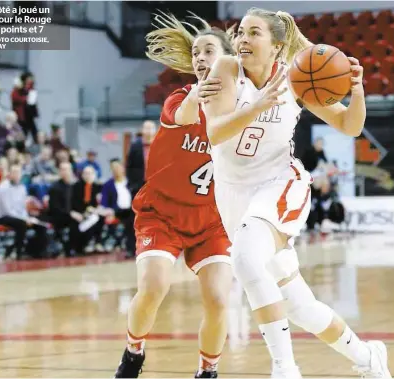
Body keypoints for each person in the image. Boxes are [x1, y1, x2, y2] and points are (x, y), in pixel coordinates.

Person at [202, 8, 390, 378]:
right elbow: (215, 133)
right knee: (300, 306)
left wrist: (357, 91)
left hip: (279, 185)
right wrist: (256, 106)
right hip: (232, 195)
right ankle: (368, 357)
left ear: (277, 46)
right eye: (240, 32)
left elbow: (349, 126)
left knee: (246, 261)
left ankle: (285, 370)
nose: (242, 40)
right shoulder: (225, 69)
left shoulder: (297, 77)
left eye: (253, 33)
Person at [114, 13, 235, 379]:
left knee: (218, 298)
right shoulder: (180, 98)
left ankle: (207, 371)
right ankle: (134, 352)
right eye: (196, 52)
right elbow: (183, 116)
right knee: (153, 287)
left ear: (228, 59)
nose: (199, 58)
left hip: (212, 220)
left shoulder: (243, 109)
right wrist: (198, 94)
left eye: (208, 51)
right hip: (162, 213)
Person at [0, 163, 48, 259]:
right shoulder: (3, 188)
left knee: (40, 225)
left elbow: (22, 207)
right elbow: (8, 210)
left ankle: (35, 251)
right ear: (9, 174)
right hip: (3, 216)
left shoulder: (22, 187)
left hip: (19, 216)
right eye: (14, 172)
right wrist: (24, 219)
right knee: (22, 224)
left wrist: (27, 218)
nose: (17, 175)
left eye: (18, 172)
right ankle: (18, 252)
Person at [100, 158, 136, 256]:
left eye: (117, 167)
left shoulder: (131, 181)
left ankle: (133, 248)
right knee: (129, 221)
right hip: (116, 211)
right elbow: (104, 202)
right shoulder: (108, 185)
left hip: (132, 209)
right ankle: (130, 249)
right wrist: (108, 211)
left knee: (132, 219)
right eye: (113, 168)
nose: (116, 170)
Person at [70, 165, 103, 255]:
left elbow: (100, 202)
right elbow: (74, 202)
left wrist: (96, 209)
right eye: (86, 173)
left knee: (98, 218)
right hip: (80, 212)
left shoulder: (97, 187)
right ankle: (83, 245)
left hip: (94, 212)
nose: (88, 175)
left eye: (90, 173)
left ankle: (97, 242)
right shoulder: (76, 186)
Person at [48, 161, 76, 257]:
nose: (65, 172)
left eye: (67, 169)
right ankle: (69, 248)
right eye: (62, 170)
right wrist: (70, 213)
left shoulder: (74, 186)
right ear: (59, 172)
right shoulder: (54, 187)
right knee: (74, 222)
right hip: (58, 216)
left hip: (72, 215)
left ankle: (80, 246)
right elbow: (54, 208)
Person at [126, 119, 157, 197]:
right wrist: (131, 185)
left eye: (151, 128)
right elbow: (129, 166)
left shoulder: (160, 145)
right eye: (146, 128)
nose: (149, 130)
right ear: (142, 130)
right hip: (139, 185)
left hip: (156, 185)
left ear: (155, 130)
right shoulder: (135, 146)